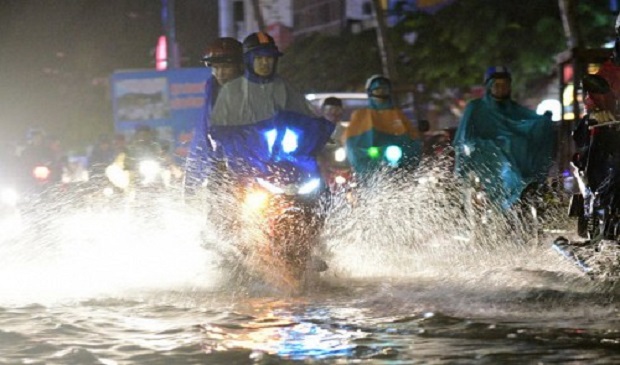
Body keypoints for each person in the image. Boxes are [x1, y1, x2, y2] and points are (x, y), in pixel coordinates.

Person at [452, 66, 554, 211]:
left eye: (505, 85)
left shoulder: (513, 109)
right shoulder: (475, 107)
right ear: (489, 86)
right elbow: (464, 137)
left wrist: (544, 121)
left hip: (513, 159)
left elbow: (531, 121)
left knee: (518, 145)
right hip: (484, 157)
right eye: (497, 85)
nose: (501, 89)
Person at [210, 31, 315, 127]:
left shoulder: (284, 87)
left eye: (269, 58)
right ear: (248, 60)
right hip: (242, 146)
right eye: (259, 58)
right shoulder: (231, 90)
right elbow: (218, 127)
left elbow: (306, 116)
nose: (265, 63)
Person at [184, 37, 244, 195]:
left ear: (240, 66)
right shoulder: (212, 95)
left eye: (226, 67)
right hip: (222, 171)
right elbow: (201, 138)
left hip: (256, 169)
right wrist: (191, 183)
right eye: (216, 67)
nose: (220, 73)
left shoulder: (258, 91)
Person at [342, 75, 422, 176]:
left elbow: (413, 138)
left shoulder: (398, 114)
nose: (380, 93)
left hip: (398, 161)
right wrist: (362, 152)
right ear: (370, 92)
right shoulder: (360, 115)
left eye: (384, 90)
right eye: (377, 90)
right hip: (369, 162)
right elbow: (350, 142)